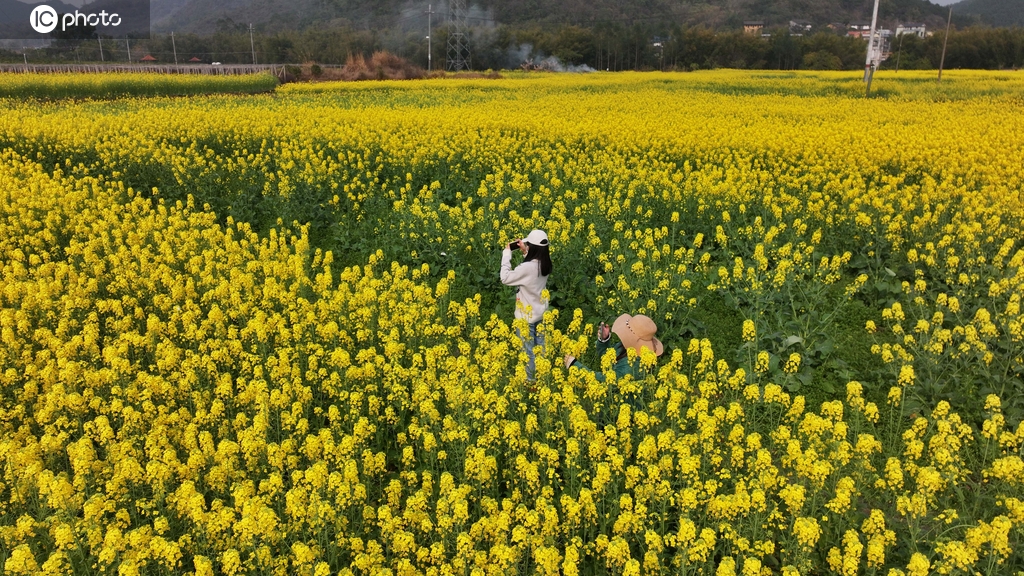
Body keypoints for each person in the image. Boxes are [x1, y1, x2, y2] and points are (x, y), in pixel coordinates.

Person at [500, 229, 552, 381]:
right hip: (540, 314)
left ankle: (530, 382)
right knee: (540, 347)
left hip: (525, 318)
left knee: (527, 351)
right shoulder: (546, 263)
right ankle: (543, 377)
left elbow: (505, 278)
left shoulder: (528, 268)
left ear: (533, 247)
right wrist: (526, 252)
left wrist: (506, 255)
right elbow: (531, 272)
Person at [564, 313, 664, 388]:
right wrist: (604, 340)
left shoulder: (634, 366)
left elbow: (606, 381)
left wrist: (575, 366)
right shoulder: (624, 347)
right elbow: (606, 357)